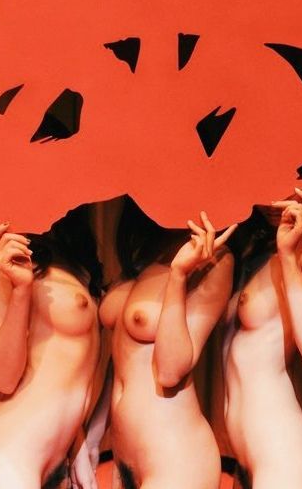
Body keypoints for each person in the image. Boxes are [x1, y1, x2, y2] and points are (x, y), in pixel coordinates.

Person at [74, 197, 235, 489]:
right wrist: (94, 437)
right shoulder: (141, 258)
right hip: (124, 458)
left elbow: (170, 371)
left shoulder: (213, 259)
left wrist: (178, 276)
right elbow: (122, 359)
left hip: (175, 457)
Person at [223, 155, 302, 489]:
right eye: (264, 183)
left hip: (283, 458)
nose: (273, 200)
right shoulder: (254, 249)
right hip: (245, 460)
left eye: (286, 182)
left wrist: (289, 257)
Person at [0, 205, 103, 489]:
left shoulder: (72, 251)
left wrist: (77, 440)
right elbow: (3, 378)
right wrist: (21, 290)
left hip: (59, 458)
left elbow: (63, 366)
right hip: (11, 456)